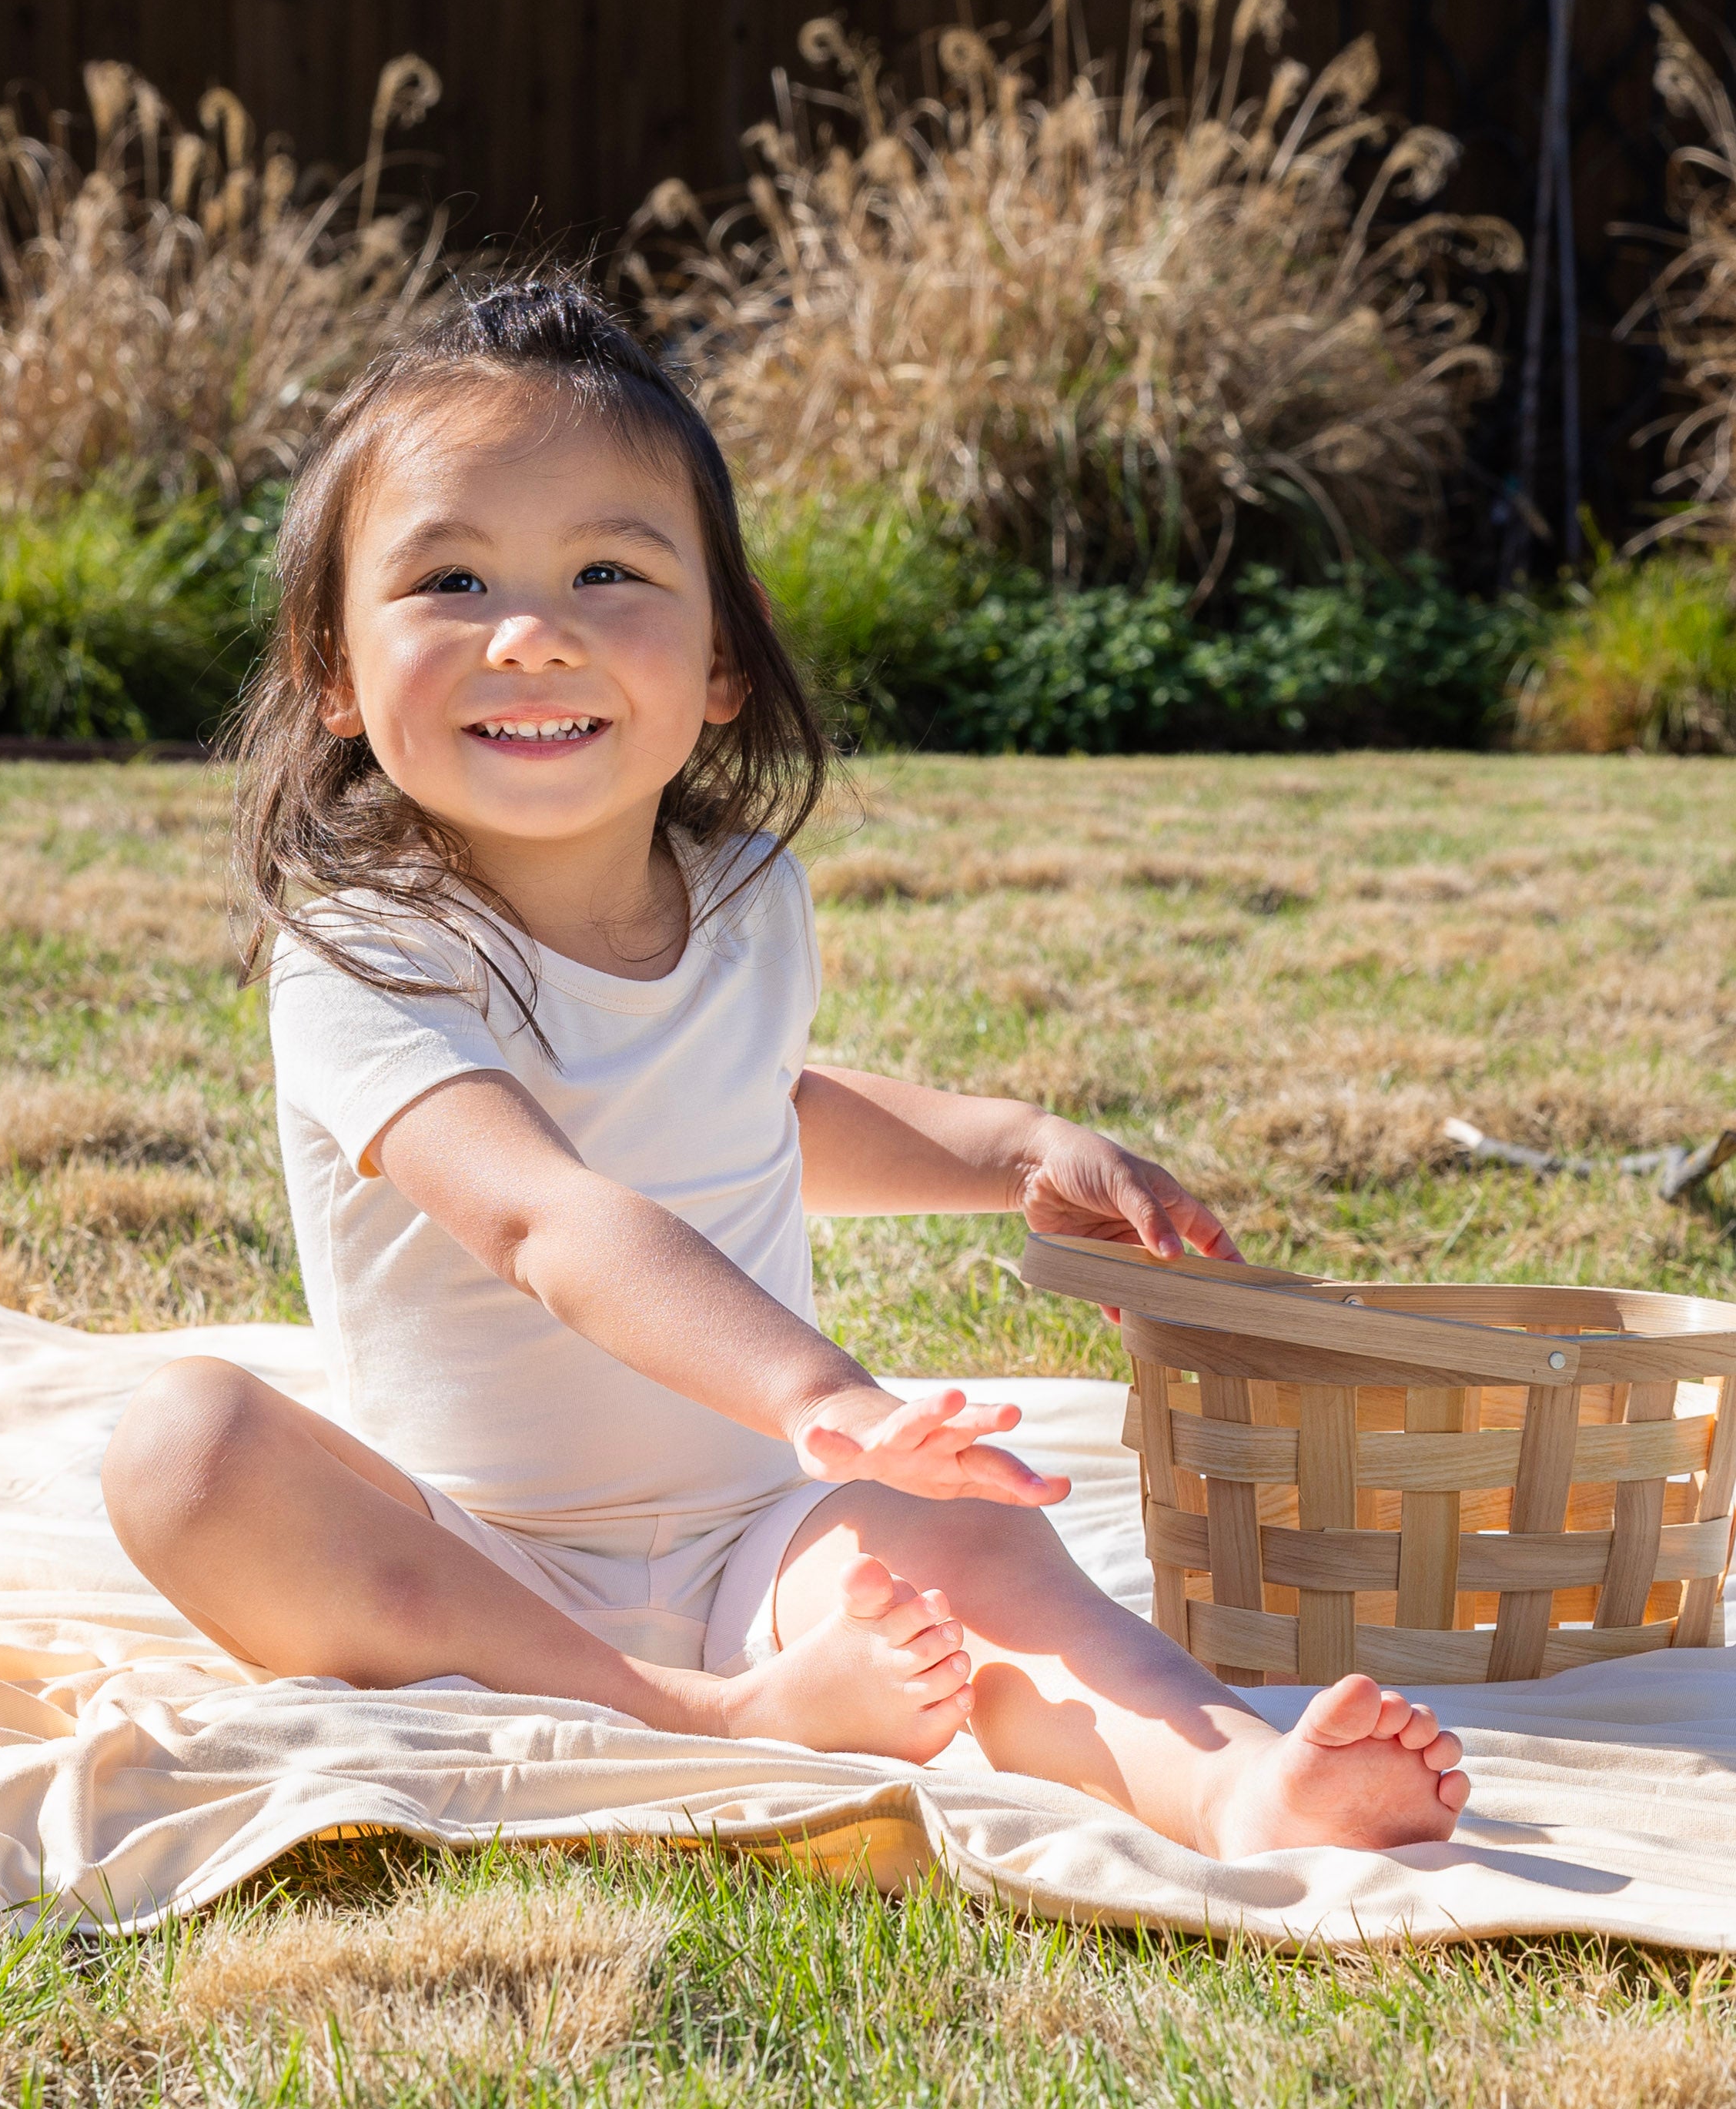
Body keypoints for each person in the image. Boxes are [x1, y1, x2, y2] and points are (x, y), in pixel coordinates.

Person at [102, 279, 1469, 1857]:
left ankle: (1233, 1777)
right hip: (469, 1554)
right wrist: (817, 1389)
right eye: (451, 578)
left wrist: (1007, 1146)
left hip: (770, 1529)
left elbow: (754, 1111)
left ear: (722, 665)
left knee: (984, 1558)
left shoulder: (746, 898)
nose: (530, 634)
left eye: (606, 571)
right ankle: (694, 1715)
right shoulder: (366, 947)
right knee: (187, 1449)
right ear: (335, 671)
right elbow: (541, 1217)